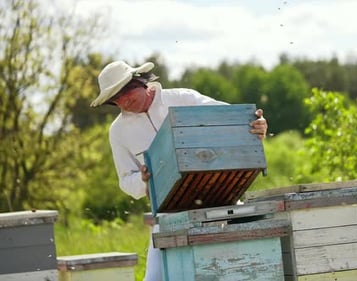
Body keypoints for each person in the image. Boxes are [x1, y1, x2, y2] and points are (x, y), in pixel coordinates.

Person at [90, 60, 267, 281]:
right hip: (169, 215)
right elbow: (125, 180)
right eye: (116, 99)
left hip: (222, 202)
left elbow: (229, 117)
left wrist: (257, 124)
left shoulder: (182, 98)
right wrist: (144, 181)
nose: (123, 102)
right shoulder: (118, 131)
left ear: (139, 82)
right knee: (154, 279)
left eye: (125, 93)